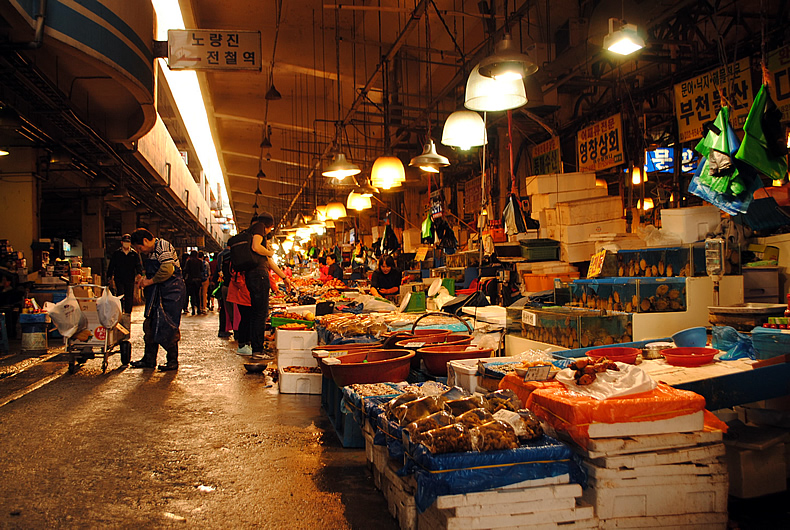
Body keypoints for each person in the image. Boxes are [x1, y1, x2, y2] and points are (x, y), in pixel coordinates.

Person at [129, 228, 186, 371]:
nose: (140, 251)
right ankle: (149, 359)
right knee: (150, 323)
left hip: (171, 292)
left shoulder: (163, 246)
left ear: (146, 240)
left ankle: (172, 361)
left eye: (139, 247)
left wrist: (149, 281)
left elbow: (167, 270)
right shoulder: (151, 253)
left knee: (168, 325)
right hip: (156, 293)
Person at [247, 212, 292, 359]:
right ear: (269, 226)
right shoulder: (259, 228)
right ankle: (258, 351)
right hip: (259, 276)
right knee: (260, 314)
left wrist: (284, 277)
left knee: (257, 313)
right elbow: (256, 247)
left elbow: (269, 262)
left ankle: (256, 348)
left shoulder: (252, 231)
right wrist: (270, 251)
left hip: (253, 276)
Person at [106, 234, 142, 315]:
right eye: (125, 242)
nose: (126, 243)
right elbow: (112, 265)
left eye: (128, 242)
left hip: (130, 278)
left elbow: (138, 265)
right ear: (122, 242)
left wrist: (139, 273)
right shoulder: (117, 253)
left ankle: (128, 313)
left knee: (129, 296)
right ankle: (120, 311)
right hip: (119, 278)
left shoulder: (134, 254)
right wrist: (109, 276)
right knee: (120, 295)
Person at [183, 250, 204, 315]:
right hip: (198, 280)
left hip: (191, 280)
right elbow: (202, 270)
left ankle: (193, 310)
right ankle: (198, 309)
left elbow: (186, 270)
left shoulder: (189, 261)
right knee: (197, 295)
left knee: (192, 295)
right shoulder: (199, 261)